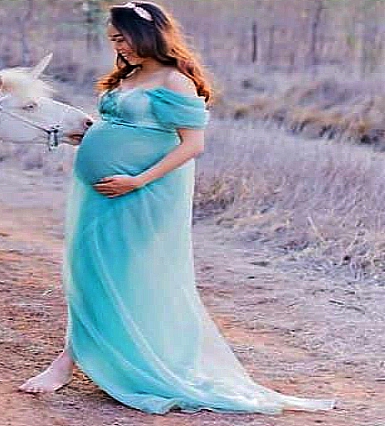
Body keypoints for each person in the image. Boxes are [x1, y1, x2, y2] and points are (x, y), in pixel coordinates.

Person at [18, 1, 335, 415]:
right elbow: (126, 127)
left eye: (122, 38)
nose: (118, 47)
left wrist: (137, 179)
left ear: (148, 34)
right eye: (112, 40)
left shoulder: (175, 80)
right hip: (99, 193)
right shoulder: (129, 76)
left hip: (141, 195)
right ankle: (73, 358)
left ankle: (80, 362)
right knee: (88, 272)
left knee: (124, 275)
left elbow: (192, 145)